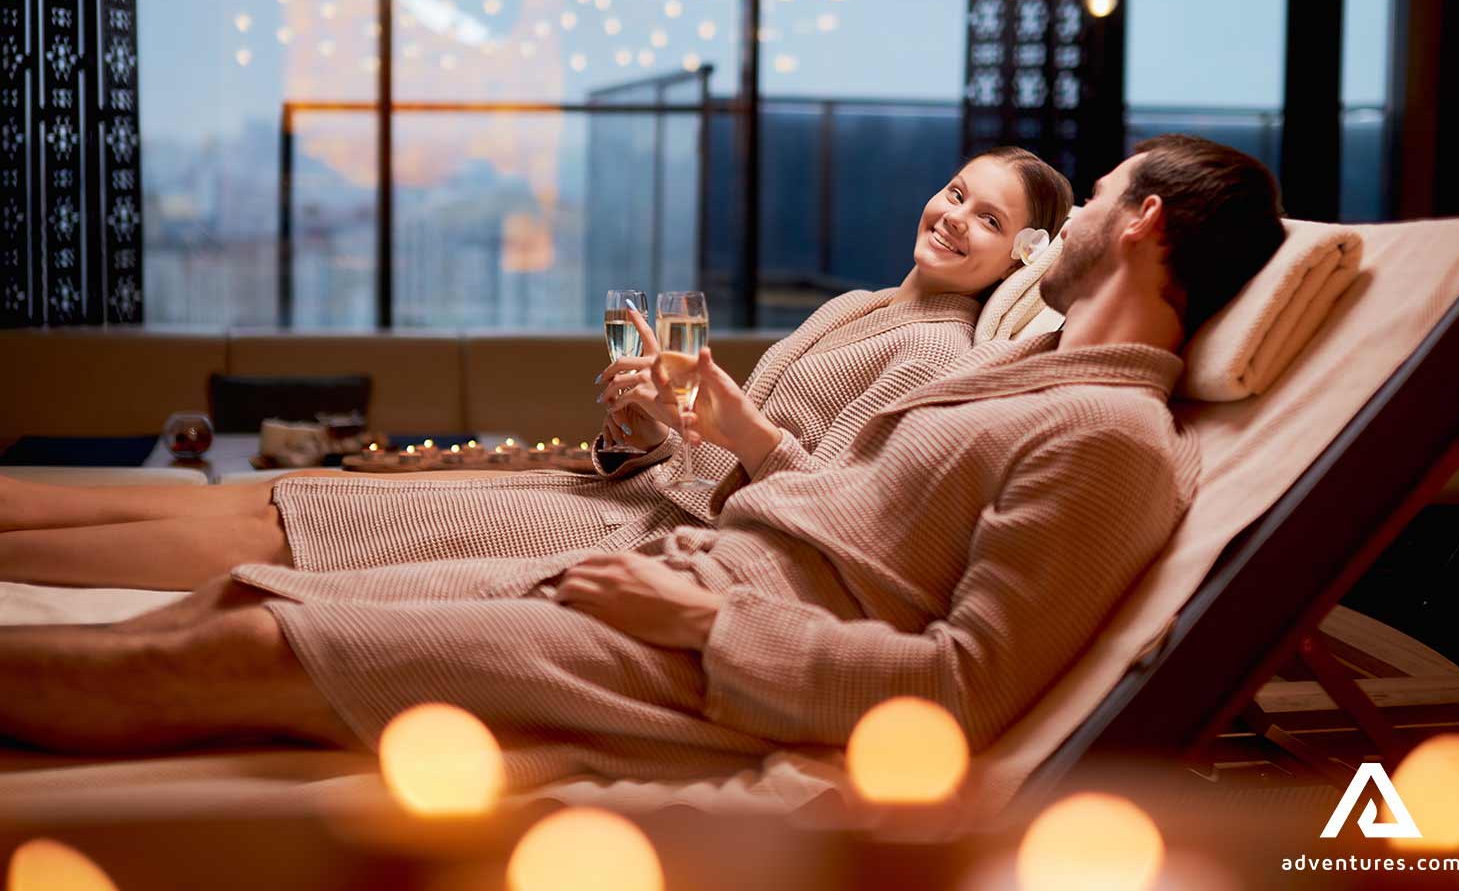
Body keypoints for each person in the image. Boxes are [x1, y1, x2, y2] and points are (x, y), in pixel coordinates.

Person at [0, 136, 1285, 790]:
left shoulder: (1111, 436)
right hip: (677, 558)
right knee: (241, 605)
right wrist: (664, 431)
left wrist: (716, 622)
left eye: (1086, 194)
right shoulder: (1025, 377)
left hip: (704, 622)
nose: (966, 218)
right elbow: (832, 494)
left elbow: (961, 688)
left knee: (253, 647)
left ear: (1140, 218)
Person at [0, 148, 1072, 591]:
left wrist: (729, 436)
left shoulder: (935, 353)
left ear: (1021, 255)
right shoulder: (858, 305)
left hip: (640, 535)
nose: (955, 215)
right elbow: (689, 445)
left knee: (283, 530)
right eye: (956, 191)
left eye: (991, 217)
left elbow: (836, 515)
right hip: (619, 490)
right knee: (288, 496)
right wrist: (646, 422)